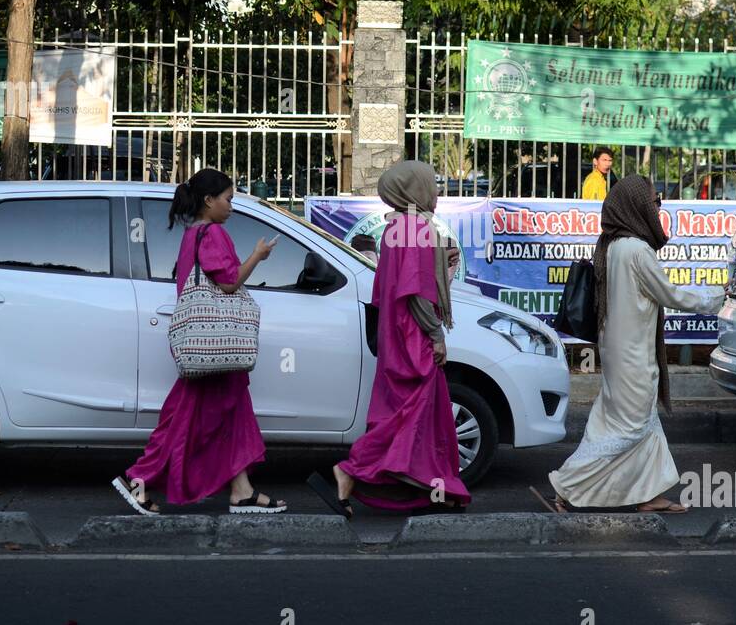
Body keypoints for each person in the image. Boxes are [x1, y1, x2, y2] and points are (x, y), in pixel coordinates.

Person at [112, 168, 287, 516]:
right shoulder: (214, 234)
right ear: (209, 200)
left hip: (208, 347)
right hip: (216, 346)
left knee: (234, 412)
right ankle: (139, 479)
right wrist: (258, 255)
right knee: (186, 417)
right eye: (228, 199)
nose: (231, 207)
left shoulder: (193, 234)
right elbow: (229, 282)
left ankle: (242, 490)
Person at [549, 175, 726, 513]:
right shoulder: (636, 250)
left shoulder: (612, 245)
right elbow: (670, 295)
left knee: (637, 424)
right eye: (653, 202)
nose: (657, 208)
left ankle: (647, 495)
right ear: (636, 207)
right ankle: (567, 485)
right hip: (633, 358)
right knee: (627, 430)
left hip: (618, 353)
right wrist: (716, 298)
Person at [310, 160, 472, 516]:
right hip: (412, 336)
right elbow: (415, 293)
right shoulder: (416, 228)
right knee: (409, 414)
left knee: (403, 413)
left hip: (396, 333)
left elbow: (406, 280)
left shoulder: (398, 227)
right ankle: (350, 471)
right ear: (416, 190)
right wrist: (436, 335)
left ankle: (425, 491)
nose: (437, 192)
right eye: (431, 184)